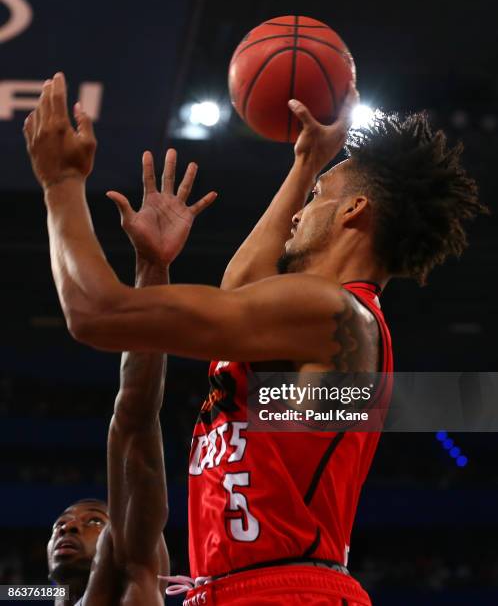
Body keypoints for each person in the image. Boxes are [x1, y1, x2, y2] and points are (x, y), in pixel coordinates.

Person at [24, 72, 486, 605]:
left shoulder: (330, 312)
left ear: (354, 211)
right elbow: (242, 284)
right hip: (243, 587)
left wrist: (59, 182)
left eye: (314, 199)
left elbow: (95, 312)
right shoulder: (321, 323)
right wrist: (306, 164)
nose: (296, 213)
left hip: (286, 589)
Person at [44, 145, 215, 604]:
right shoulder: (39, 594)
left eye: (93, 520)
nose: (71, 527)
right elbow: (21, 592)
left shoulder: (127, 574)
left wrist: (152, 269)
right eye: (63, 524)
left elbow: (135, 423)